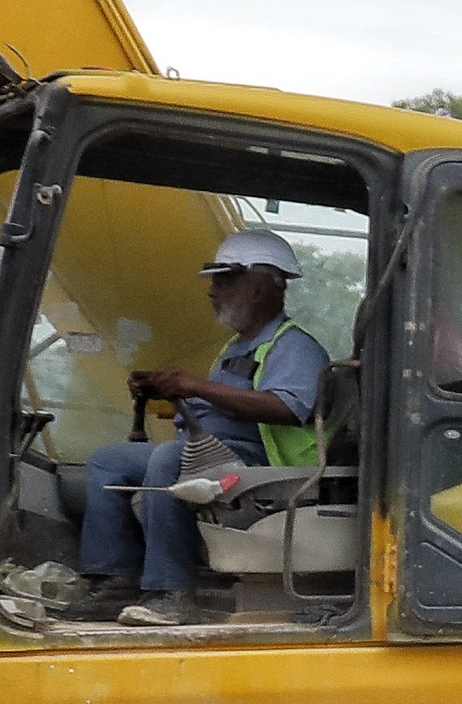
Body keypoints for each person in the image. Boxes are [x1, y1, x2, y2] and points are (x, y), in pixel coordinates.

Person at [68, 227, 327, 629]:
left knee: (172, 459)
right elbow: (215, 403)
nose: (212, 292)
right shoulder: (236, 347)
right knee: (108, 461)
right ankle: (114, 580)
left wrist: (196, 385)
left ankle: (172, 593)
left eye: (224, 281)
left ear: (258, 288)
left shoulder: (293, 346)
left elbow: (288, 408)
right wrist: (164, 387)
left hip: (266, 468)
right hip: (213, 453)